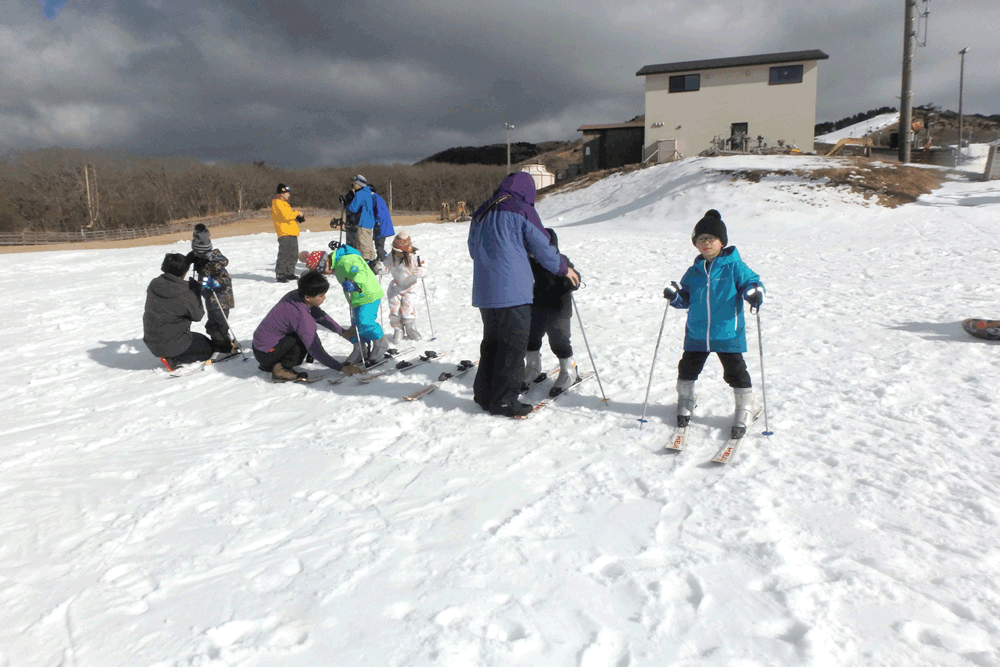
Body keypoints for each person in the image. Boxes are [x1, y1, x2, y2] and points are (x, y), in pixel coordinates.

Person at [468, 172, 580, 417]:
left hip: (485, 290)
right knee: (512, 347)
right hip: (512, 291)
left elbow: (473, 249)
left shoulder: (482, 211)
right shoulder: (520, 209)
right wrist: (564, 269)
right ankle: (505, 400)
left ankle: (484, 394)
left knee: (491, 343)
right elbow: (543, 247)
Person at [662, 209, 765, 438]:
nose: (706, 243)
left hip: (727, 332)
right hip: (697, 333)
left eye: (711, 239)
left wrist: (754, 292)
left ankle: (746, 407)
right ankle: (686, 399)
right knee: (687, 369)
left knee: (735, 371)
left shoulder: (734, 266)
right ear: (695, 244)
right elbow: (685, 298)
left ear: (721, 242)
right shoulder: (694, 271)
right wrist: (675, 296)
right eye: (701, 239)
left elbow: (753, 282)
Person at [252, 271, 361, 382]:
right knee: (304, 341)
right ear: (308, 297)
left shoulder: (296, 295)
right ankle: (280, 369)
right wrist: (341, 367)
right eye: (321, 295)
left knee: (304, 334)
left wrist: (342, 332)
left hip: (262, 347)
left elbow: (318, 314)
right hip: (266, 353)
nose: (324, 298)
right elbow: (315, 349)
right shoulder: (301, 316)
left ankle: (271, 364)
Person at [524, 228, 581, 397]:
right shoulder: (527, 262)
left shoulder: (559, 260)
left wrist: (571, 283)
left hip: (558, 307)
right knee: (530, 337)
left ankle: (569, 369)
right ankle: (533, 366)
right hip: (536, 305)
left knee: (559, 339)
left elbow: (575, 277)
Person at [142, 253, 214, 371]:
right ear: (184, 271)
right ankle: (174, 361)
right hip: (172, 343)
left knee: (200, 339)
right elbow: (198, 315)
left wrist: (188, 259)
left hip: (151, 340)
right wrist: (195, 293)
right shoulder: (185, 291)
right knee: (208, 349)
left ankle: (171, 354)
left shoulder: (154, 283)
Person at [331, 241, 389, 366]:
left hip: (368, 294)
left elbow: (362, 272)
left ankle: (381, 343)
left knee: (365, 322)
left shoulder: (346, 260)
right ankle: (360, 349)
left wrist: (354, 282)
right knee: (356, 325)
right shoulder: (338, 263)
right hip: (357, 297)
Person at [185, 223, 237, 353]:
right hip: (211, 299)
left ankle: (224, 348)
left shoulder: (214, 263)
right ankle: (222, 343)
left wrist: (214, 283)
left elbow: (226, 279)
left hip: (221, 301)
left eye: (197, 253)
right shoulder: (202, 260)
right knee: (214, 324)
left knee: (217, 326)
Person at [384, 231, 425, 344]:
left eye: (400, 252)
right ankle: (398, 329)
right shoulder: (391, 256)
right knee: (394, 309)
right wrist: (380, 268)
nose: (397, 254)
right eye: (395, 251)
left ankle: (410, 328)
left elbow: (424, 267)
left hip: (411, 287)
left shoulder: (415, 257)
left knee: (408, 309)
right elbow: (386, 266)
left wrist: (422, 271)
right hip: (396, 287)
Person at [272, 183, 305, 283]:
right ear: (282, 193)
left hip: (292, 232)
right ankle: (280, 274)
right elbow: (286, 216)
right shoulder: (277, 203)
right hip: (284, 233)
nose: (289, 195)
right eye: (287, 193)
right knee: (284, 255)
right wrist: (297, 213)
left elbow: (289, 216)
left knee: (293, 254)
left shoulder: (285, 204)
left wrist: (299, 218)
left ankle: (289, 273)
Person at [343, 175, 377, 264]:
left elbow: (353, 208)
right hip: (370, 222)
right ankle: (372, 262)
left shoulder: (360, 193)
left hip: (363, 222)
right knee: (369, 245)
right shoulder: (368, 192)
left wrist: (346, 202)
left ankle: (366, 264)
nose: (353, 184)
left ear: (358, 184)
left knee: (363, 246)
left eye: (354, 183)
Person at [370, 184, 395, 263]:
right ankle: (381, 259)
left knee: (379, 246)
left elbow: (380, 213)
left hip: (381, 226)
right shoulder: (376, 198)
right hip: (381, 226)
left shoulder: (376, 199)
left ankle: (387, 262)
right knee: (378, 245)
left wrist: (377, 222)